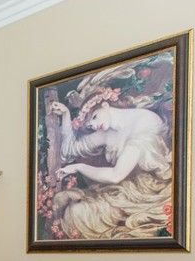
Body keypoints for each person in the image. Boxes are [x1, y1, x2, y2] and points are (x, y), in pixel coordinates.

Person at [45, 92, 172, 239]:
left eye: (94, 117)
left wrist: (78, 167)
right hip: (125, 189)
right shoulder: (105, 129)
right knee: (63, 201)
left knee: (77, 213)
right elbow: (70, 150)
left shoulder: (144, 122)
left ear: (105, 105)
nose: (93, 125)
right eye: (90, 126)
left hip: (151, 192)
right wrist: (66, 115)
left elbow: (115, 176)